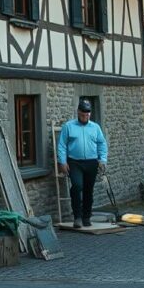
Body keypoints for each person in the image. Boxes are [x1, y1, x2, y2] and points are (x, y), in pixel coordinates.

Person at [56, 98, 109, 228]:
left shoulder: (95, 127)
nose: (85, 116)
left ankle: (86, 217)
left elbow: (102, 144)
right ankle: (77, 217)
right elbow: (62, 145)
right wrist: (62, 162)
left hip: (91, 162)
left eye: (87, 113)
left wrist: (102, 160)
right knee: (77, 186)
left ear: (89, 114)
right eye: (83, 113)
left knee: (88, 190)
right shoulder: (69, 126)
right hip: (74, 162)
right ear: (78, 112)